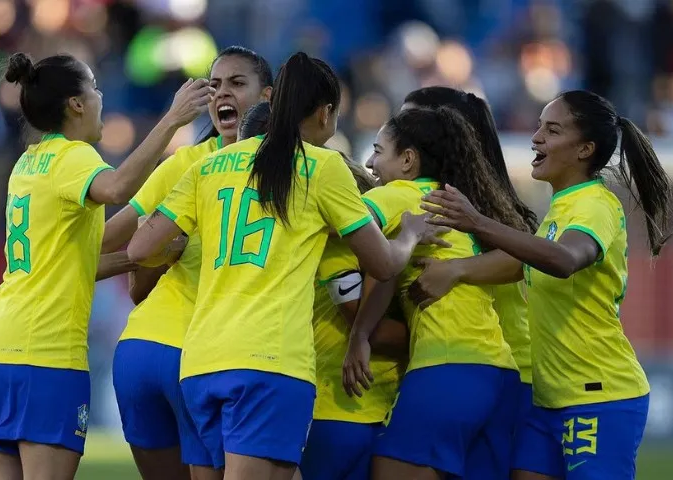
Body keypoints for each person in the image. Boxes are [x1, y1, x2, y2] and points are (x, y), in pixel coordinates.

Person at [126, 52, 442, 480]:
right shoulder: (321, 166)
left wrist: (182, 245)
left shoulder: (210, 164)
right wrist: (408, 234)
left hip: (200, 363)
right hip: (271, 362)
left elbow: (139, 250)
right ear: (326, 113)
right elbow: (383, 265)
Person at [0, 52, 213, 480]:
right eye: (95, 88)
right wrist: (171, 121)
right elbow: (117, 187)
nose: (101, 97)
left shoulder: (28, 160)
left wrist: (148, 255)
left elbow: (68, 261)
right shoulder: (72, 156)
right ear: (76, 104)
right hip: (43, 352)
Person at [421, 90, 672, 480]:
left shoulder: (595, 204)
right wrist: (457, 270)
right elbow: (526, 262)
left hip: (598, 394)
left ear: (585, 148)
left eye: (551, 130)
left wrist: (478, 223)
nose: (536, 137)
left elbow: (564, 260)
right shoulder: (561, 206)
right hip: (548, 399)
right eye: (538, 126)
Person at [107, 47, 273, 480]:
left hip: (139, 352)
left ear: (268, 96)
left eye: (237, 83)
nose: (223, 93)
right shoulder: (296, 170)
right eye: (215, 85)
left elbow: (131, 272)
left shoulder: (186, 164)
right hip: (210, 359)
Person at [342, 106, 526, 480]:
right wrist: (361, 332)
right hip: (499, 372)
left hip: (446, 367)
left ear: (408, 160)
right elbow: (389, 270)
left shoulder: (402, 194)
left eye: (378, 150)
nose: (370, 162)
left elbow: (342, 218)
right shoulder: (454, 203)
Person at [402, 86, 539, 475]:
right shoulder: (451, 196)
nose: (397, 129)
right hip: (490, 373)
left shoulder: (471, 202)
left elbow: (521, 259)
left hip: (509, 372)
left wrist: (455, 270)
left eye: (409, 120)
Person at [299, 152, 408, 480]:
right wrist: (433, 342)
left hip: (360, 408)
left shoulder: (353, 244)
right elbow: (361, 321)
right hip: (341, 407)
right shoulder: (337, 251)